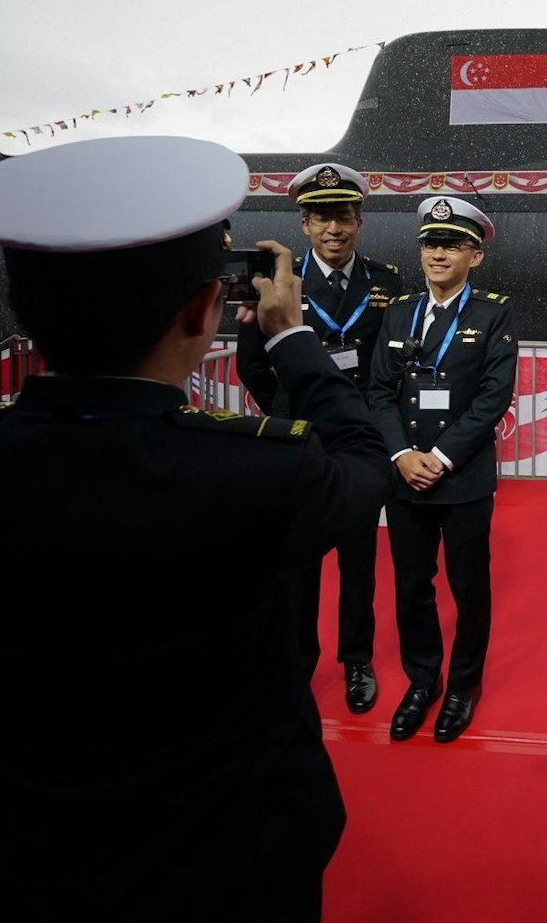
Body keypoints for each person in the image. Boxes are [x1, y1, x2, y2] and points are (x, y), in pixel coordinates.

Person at [0, 136, 392, 923]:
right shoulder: (263, 479)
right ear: (204, 310)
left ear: (25, 309)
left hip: (25, 865)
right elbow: (364, 457)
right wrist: (294, 337)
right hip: (231, 866)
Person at [235, 161, 405, 714]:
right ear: (304, 225)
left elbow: (389, 368)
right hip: (298, 439)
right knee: (298, 564)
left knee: (359, 561)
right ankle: (299, 663)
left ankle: (356, 661)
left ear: (359, 222)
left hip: (356, 439)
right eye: (321, 218)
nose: (334, 227)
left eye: (343, 216)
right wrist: (286, 414)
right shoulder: (279, 281)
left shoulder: (387, 283)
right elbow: (254, 364)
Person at [367, 194, 517, 743]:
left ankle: (462, 687)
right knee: (411, 586)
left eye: (452, 244)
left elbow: (492, 398)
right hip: (404, 475)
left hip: (463, 479)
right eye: (431, 243)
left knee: (468, 585)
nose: (438, 253)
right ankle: (422, 680)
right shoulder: (400, 311)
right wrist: (402, 455)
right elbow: (379, 392)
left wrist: (442, 457)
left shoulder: (494, 312)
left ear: (474, 256)